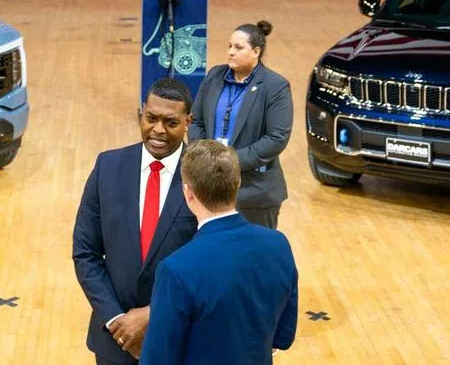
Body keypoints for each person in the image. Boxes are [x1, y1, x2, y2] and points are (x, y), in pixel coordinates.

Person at [73, 78, 200, 364]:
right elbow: (86, 253)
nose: (158, 130)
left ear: (188, 121)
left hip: (180, 341)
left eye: (170, 122)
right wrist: (118, 321)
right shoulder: (107, 166)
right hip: (113, 340)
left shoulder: (204, 176)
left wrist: (154, 315)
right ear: (141, 112)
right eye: (150, 118)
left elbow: (213, 266)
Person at [139, 140, 298, 365]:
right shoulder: (278, 245)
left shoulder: (176, 269)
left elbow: (158, 359)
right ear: (238, 183)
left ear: (188, 192)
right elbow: (284, 336)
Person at [188, 20, 293, 228]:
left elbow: (276, 138)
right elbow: (196, 121)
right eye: (229, 46)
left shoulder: (275, 86)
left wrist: (230, 162)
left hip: (254, 193)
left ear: (256, 52)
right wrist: (204, 157)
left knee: (254, 257)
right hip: (209, 185)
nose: (230, 53)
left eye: (238, 47)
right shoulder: (214, 76)